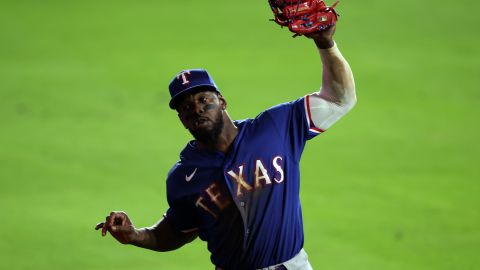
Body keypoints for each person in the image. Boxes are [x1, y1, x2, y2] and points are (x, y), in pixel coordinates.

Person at [95, 26, 356, 270]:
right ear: (181, 119)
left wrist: (326, 44)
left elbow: (340, 98)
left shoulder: (275, 127)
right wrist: (135, 235)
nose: (196, 108)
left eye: (203, 99)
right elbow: (176, 231)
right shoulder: (182, 178)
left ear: (222, 101)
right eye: (185, 107)